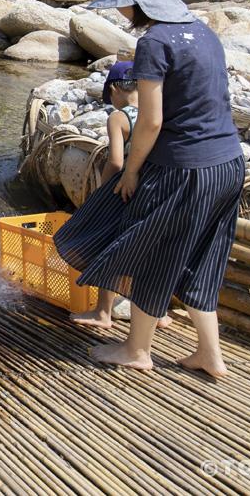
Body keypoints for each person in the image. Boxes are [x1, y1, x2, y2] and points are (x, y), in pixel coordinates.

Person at [54, 0, 244, 378]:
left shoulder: (155, 43)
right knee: (203, 258)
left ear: (139, 0)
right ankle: (210, 355)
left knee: (156, 252)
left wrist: (133, 170)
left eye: (122, 1)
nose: (121, 11)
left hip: (183, 168)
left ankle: (137, 349)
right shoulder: (204, 33)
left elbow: (152, 119)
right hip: (228, 165)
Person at [69, 60, 171, 332]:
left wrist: (103, 191)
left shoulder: (119, 117)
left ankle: (103, 312)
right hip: (160, 188)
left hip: (127, 189)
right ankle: (157, 313)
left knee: (111, 245)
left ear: (115, 89)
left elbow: (115, 161)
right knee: (152, 250)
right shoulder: (158, 114)